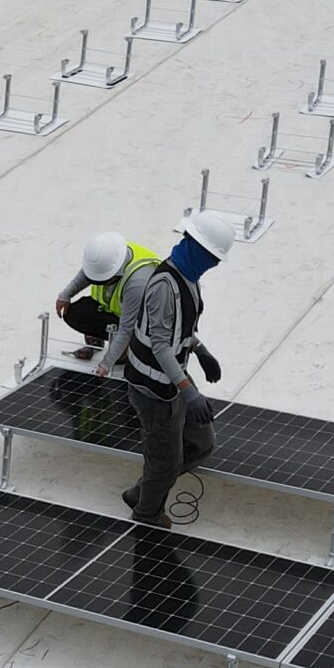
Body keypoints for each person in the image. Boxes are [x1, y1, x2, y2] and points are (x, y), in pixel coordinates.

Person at [95, 212, 235, 528]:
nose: (215, 263)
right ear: (195, 247)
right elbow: (160, 346)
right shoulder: (163, 286)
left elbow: (179, 329)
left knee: (201, 444)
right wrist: (191, 392)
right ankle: (146, 513)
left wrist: (200, 349)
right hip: (153, 390)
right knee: (165, 461)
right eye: (212, 257)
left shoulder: (189, 279)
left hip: (173, 382)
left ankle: (143, 492)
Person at [52, 233, 158, 353]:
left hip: (142, 324)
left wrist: (110, 358)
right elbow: (87, 272)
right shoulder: (109, 255)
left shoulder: (138, 282)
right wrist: (66, 295)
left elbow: (127, 327)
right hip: (115, 311)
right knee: (74, 313)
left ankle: (130, 348)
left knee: (120, 356)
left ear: (116, 272)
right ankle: (100, 338)